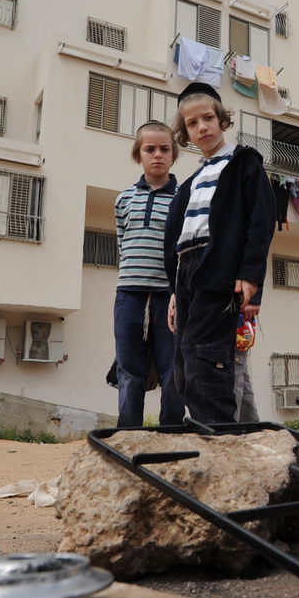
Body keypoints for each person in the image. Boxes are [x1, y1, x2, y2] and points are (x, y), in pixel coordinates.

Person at [164, 82, 276, 425]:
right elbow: (178, 237)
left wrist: (250, 274)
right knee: (184, 357)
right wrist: (173, 290)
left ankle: (216, 429)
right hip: (187, 270)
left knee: (206, 353)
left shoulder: (243, 163)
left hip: (219, 268)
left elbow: (261, 220)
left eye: (209, 118)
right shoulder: (191, 182)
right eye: (193, 123)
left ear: (222, 120)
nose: (202, 127)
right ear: (186, 133)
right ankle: (223, 427)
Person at [113, 121, 185, 428]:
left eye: (164, 149)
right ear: (138, 155)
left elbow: (186, 248)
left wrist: (178, 292)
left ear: (173, 154)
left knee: (172, 365)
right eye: (149, 149)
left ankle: (171, 428)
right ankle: (128, 431)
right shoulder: (124, 199)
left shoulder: (184, 198)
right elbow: (122, 242)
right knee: (129, 365)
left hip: (168, 296)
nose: (157, 155)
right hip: (128, 292)